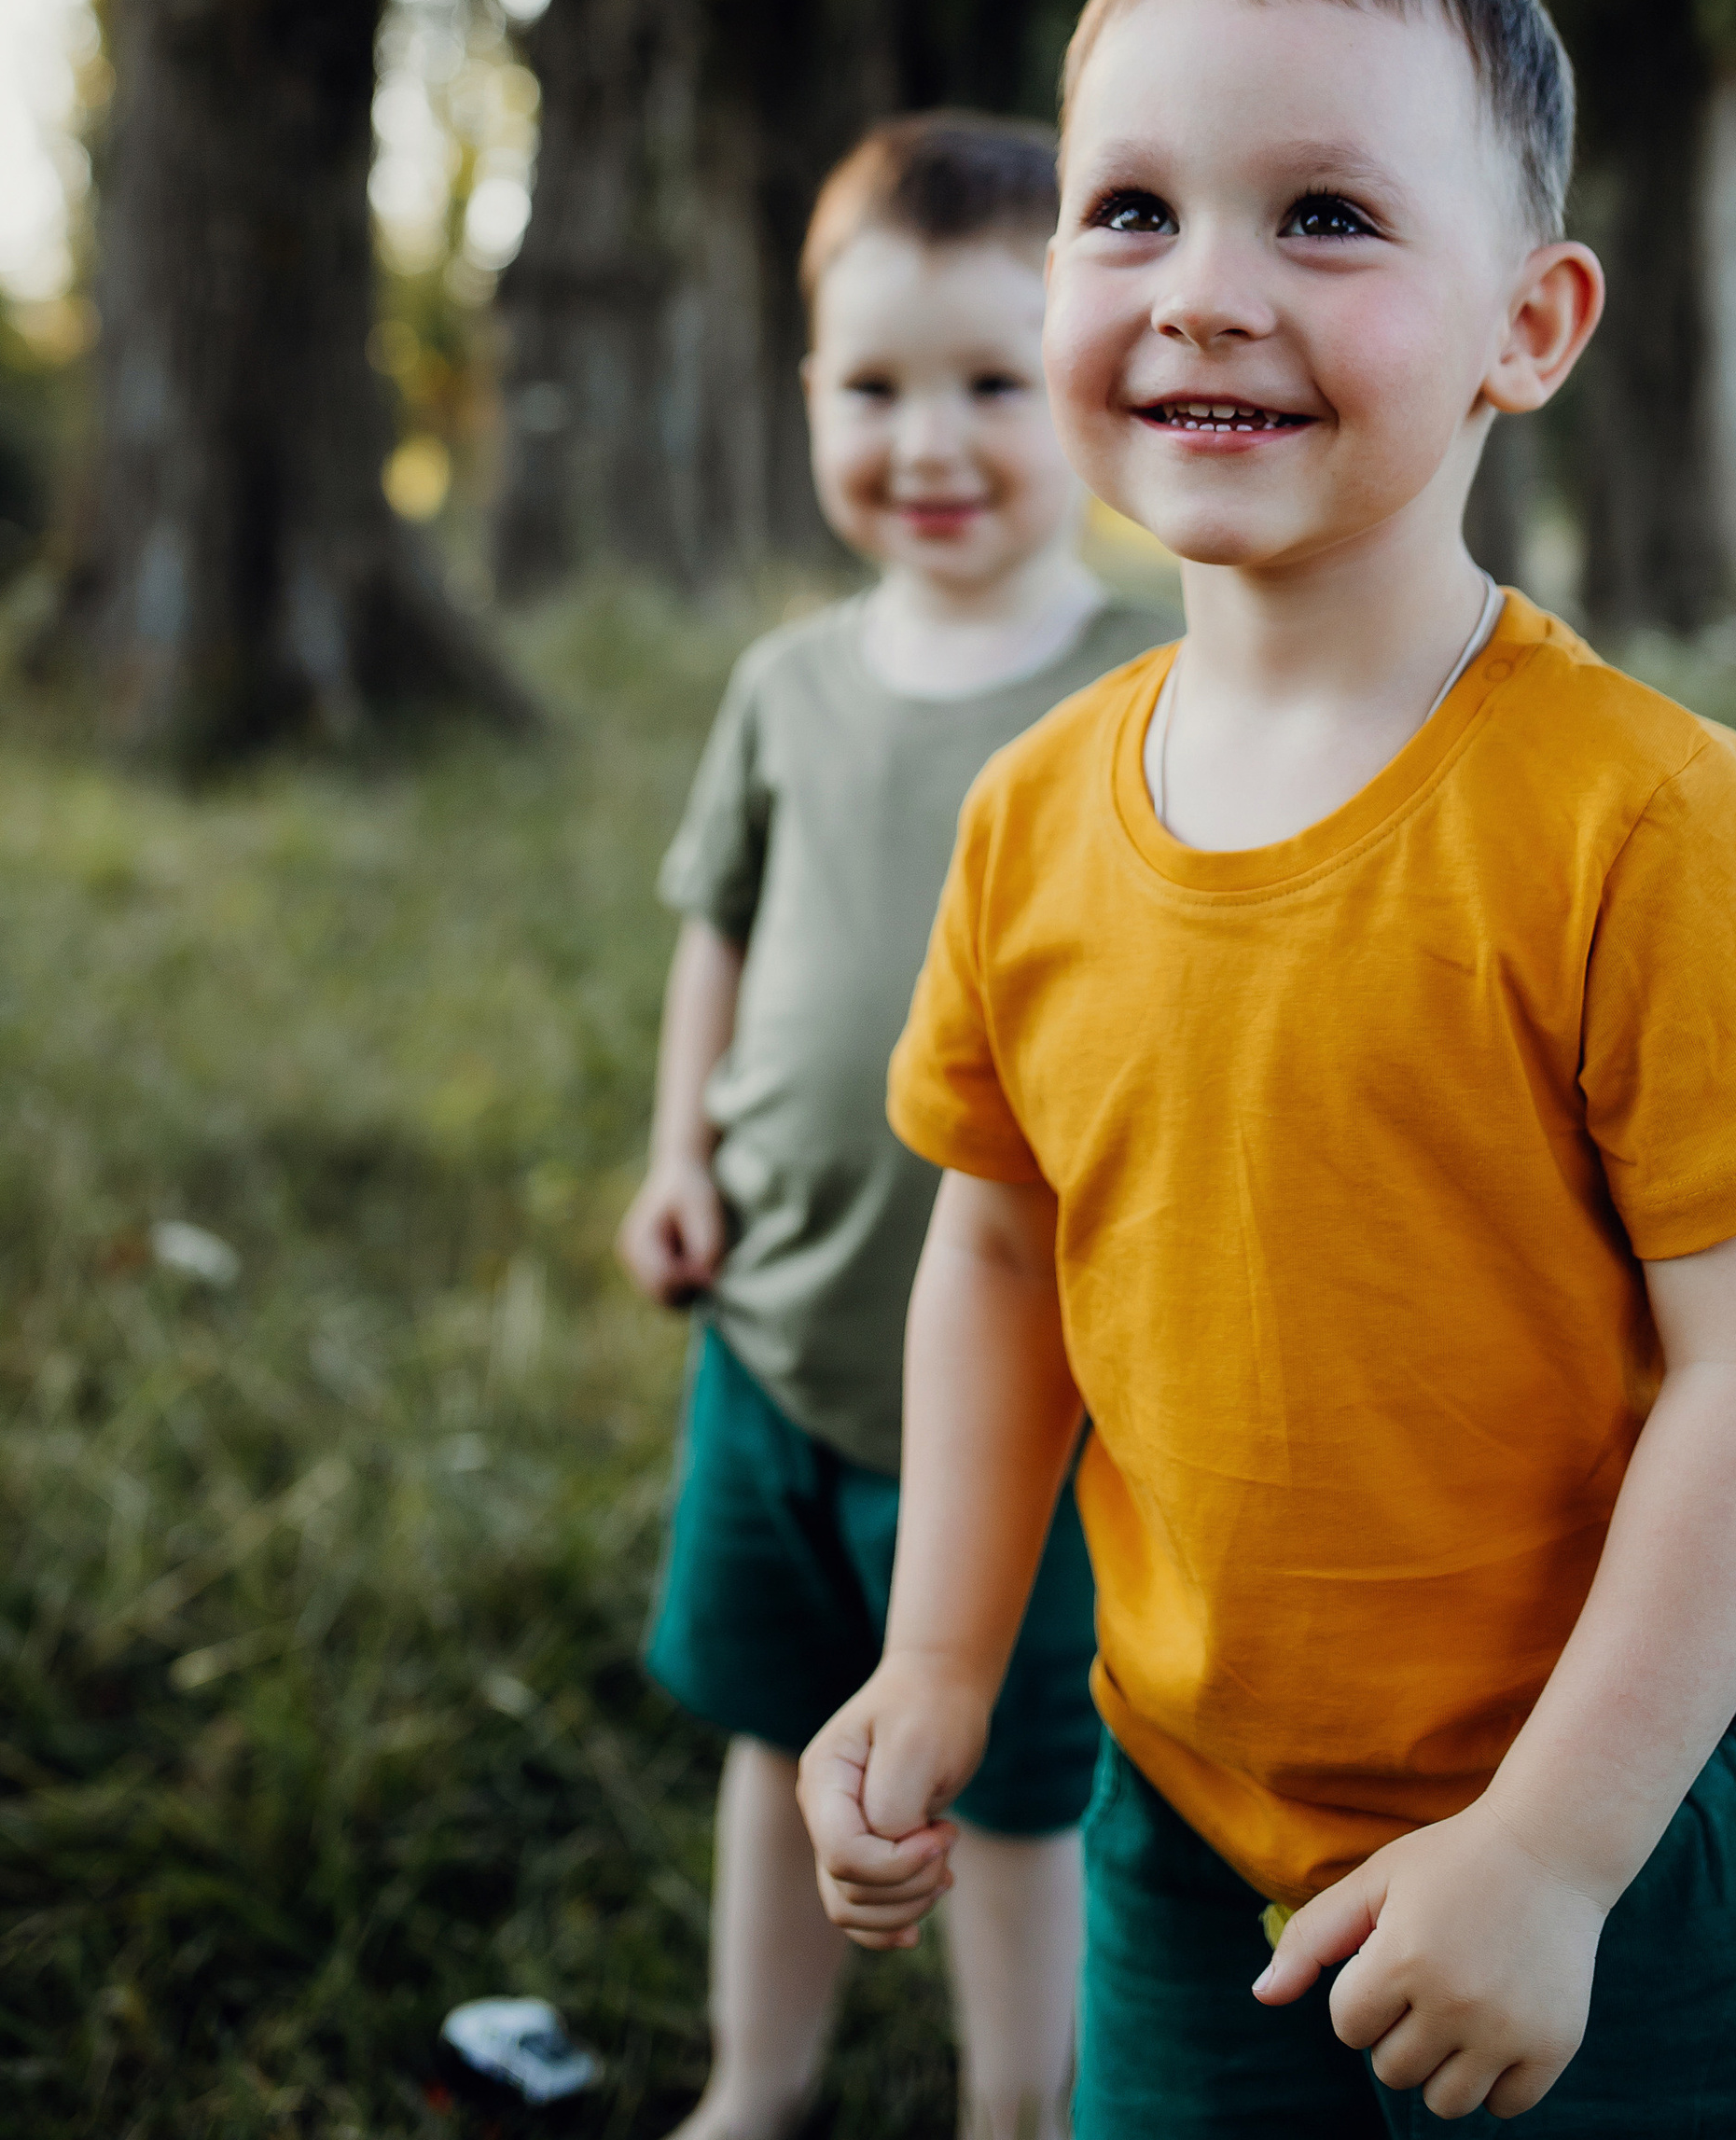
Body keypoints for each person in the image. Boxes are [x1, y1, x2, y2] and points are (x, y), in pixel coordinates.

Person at [797, 0, 1736, 2135]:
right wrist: (936, 1653)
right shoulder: (1031, 812)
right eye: (1129, 209)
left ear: (1529, 322)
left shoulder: (1631, 813)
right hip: (1193, 1828)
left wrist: (1550, 1852)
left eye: (1321, 215)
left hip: (1628, 1835)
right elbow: (1001, 1247)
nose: (1206, 288)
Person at [618, 110, 1176, 2140]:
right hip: (774, 1343)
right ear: (804, 397)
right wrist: (677, 1155)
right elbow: (722, 928)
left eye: (989, 384)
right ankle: (752, 2089)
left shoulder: (1153, 680)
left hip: (1025, 1397)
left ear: (1089, 381)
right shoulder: (784, 682)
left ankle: (1014, 2112)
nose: (925, 445)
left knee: (1013, 1795)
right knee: (780, 1740)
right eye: (871, 388)